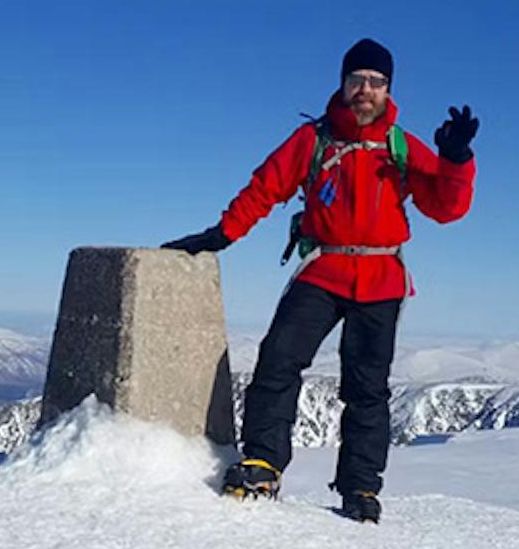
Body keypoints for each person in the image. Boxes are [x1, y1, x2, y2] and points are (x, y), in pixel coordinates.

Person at [163, 38, 478, 523]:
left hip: (381, 277)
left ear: (388, 89)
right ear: (342, 83)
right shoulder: (313, 140)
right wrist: (223, 233)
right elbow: (265, 186)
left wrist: (456, 161)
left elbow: (446, 209)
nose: (365, 90)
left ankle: (360, 489)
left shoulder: (400, 145)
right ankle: (262, 462)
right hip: (324, 270)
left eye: (376, 82)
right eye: (357, 80)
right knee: (277, 361)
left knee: (367, 387)